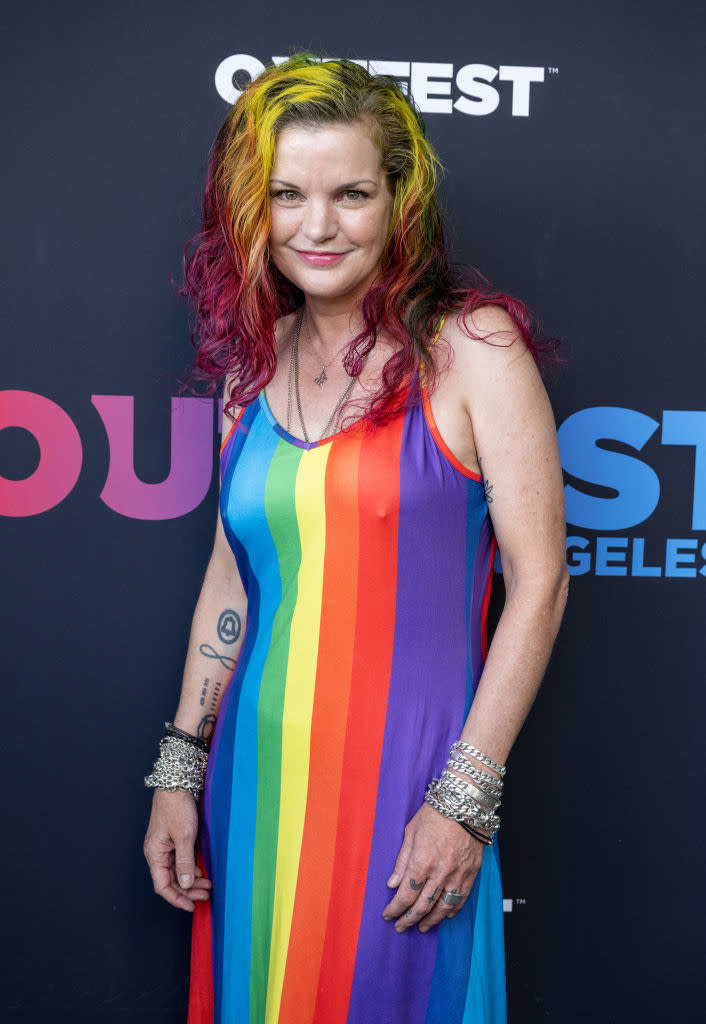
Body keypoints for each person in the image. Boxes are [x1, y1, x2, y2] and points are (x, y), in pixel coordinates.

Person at [143, 54, 569, 1024]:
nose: (318, 226)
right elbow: (231, 580)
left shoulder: (473, 348)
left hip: (408, 788)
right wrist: (180, 768)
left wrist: (464, 797)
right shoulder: (248, 375)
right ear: (253, 209)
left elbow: (539, 583)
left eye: (350, 193)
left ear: (399, 199)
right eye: (288, 195)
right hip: (253, 786)